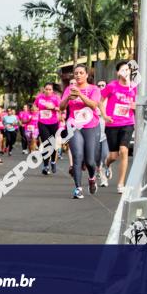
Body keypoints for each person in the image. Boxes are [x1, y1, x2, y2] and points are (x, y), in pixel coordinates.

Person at [59, 65, 109, 199]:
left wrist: (80, 94)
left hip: (90, 125)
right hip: (74, 125)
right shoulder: (69, 89)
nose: (78, 75)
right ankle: (78, 188)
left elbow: (93, 105)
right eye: (76, 73)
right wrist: (68, 98)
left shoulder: (94, 89)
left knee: (90, 161)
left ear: (87, 75)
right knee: (77, 156)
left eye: (81, 73)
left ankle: (92, 178)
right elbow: (61, 107)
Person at [102, 61, 137, 193]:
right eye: (123, 70)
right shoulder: (111, 86)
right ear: (118, 73)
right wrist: (105, 116)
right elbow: (100, 102)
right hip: (112, 124)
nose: (125, 72)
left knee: (124, 151)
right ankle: (106, 164)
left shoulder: (134, 87)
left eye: (127, 70)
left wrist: (135, 105)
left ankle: (121, 183)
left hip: (128, 123)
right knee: (113, 156)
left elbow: (137, 102)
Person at [34, 83, 61, 175]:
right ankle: (45, 166)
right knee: (46, 144)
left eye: (50, 89)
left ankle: (53, 161)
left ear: (52, 90)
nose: (48, 91)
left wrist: (53, 107)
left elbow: (61, 108)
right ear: (44, 89)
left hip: (53, 123)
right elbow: (35, 106)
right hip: (42, 123)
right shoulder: (39, 97)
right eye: (46, 89)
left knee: (52, 144)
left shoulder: (56, 98)